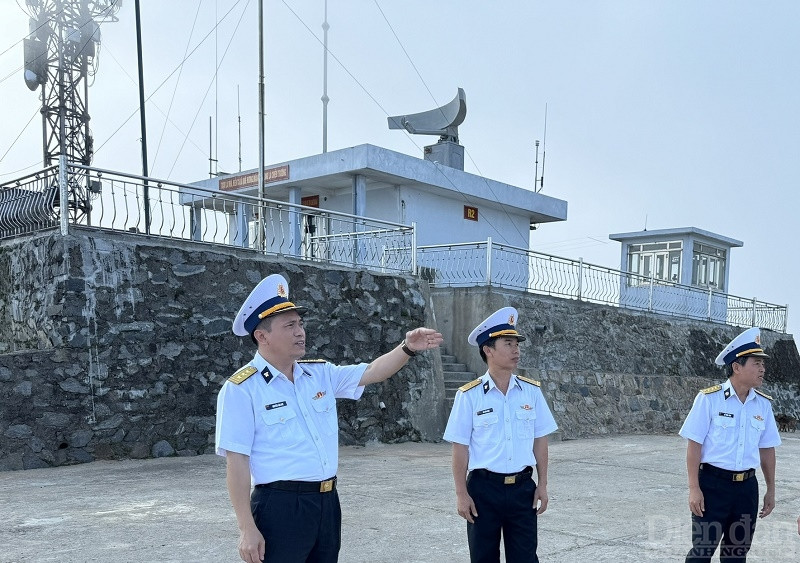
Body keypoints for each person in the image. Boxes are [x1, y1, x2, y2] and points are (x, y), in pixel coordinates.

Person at [215, 273, 443, 563]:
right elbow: (237, 462)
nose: (300, 332)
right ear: (262, 336)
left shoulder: (319, 374)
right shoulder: (241, 389)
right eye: (290, 326)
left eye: (300, 324)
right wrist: (247, 528)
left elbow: (372, 371)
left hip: (326, 502)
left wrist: (407, 348)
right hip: (280, 507)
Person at [443, 306, 558, 563]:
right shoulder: (468, 396)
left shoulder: (531, 392)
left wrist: (543, 484)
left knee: (525, 558)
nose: (516, 350)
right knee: (483, 558)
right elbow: (459, 448)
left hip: (522, 490)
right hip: (483, 491)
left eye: (516, 343)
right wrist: (462, 494)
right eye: (508, 344)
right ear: (488, 350)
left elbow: (540, 441)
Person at [679, 327, 781, 563]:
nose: (763, 369)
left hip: (746, 489)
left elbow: (767, 450)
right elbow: (694, 446)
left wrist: (771, 490)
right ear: (737, 366)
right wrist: (694, 488)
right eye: (756, 363)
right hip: (712, 487)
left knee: (736, 555)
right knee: (702, 553)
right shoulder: (709, 399)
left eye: (762, 364)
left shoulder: (763, 405)